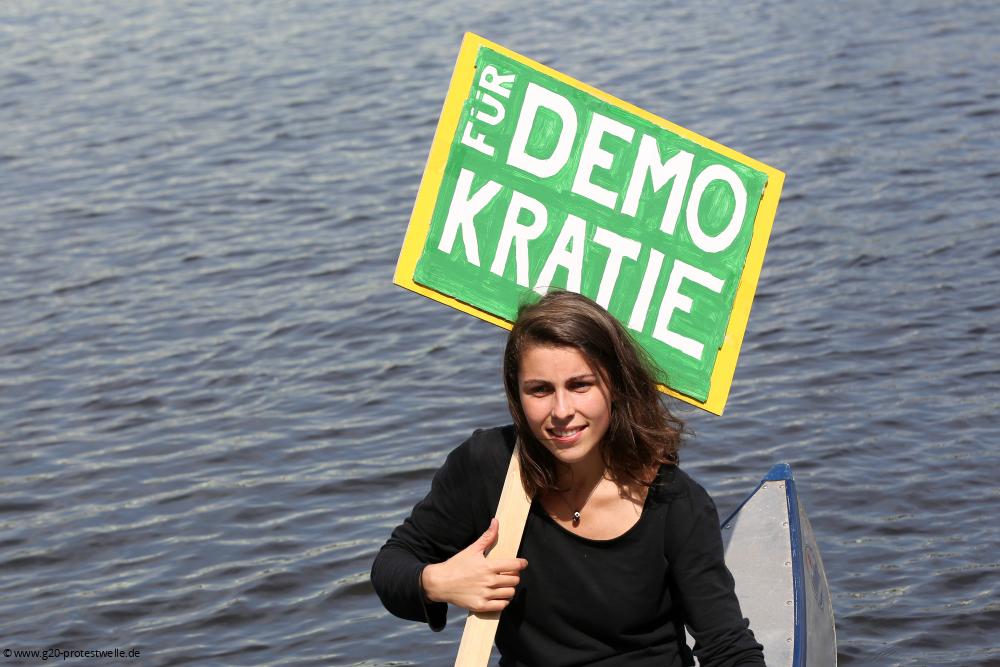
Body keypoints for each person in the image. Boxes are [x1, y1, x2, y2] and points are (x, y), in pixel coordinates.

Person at [371, 290, 765, 666]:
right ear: (517, 395)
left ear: (615, 385)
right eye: (540, 390)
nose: (561, 411)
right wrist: (436, 582)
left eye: (580, 385)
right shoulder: (487, 467)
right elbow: (391, 564)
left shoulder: (676, 503)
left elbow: (728, 649)